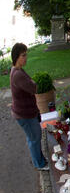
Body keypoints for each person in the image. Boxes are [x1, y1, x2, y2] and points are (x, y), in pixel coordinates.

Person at [10, 43, 49, 171]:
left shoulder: (18, 70)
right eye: (23, 55)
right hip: (24, 115)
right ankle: (39, 164)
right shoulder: (18, 74)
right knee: (35, 138)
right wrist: (32, 83)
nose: (26, 58)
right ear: (16, 56)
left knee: (32, 137)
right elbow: (34, 88)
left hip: (25, 112)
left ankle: (38, 159)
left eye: (26, 54)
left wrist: (31, 82)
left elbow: (31, 84)